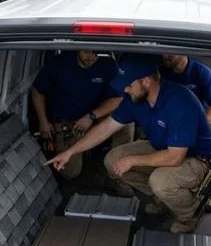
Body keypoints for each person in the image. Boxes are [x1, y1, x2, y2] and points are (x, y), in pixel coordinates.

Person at [45, 55, 211, 234]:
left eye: (129, 85)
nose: (126, 90)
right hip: (164, 148)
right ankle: (163, 198)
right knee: (112, 160)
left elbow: (175, 158)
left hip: (197, 160)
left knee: (159, 180)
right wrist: (70, 152)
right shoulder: (135, 100)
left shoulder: (180, 101)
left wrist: (132, 160)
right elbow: (106, 128)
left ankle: (190, 213)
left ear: (146, 81)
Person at [32, 50, 134, 179]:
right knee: (71, 172)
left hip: (95, 118)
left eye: (96, 53)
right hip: (69, 124)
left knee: (126, 120)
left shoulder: (108, 65)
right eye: (86, 52)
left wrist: (91, 116)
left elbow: (117, 99)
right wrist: (43, 121)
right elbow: (37, 91)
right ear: (77, 49)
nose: (91, 57)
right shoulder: (59, 63)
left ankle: (119, 174)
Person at [159, 55, 211, 152]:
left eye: (169, 51)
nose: (165, 56)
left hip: (197, 119)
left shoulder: (202, 72)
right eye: (163, 52)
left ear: (181, 51)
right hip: (170, 119)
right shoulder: (161, 73)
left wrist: (197, 124)